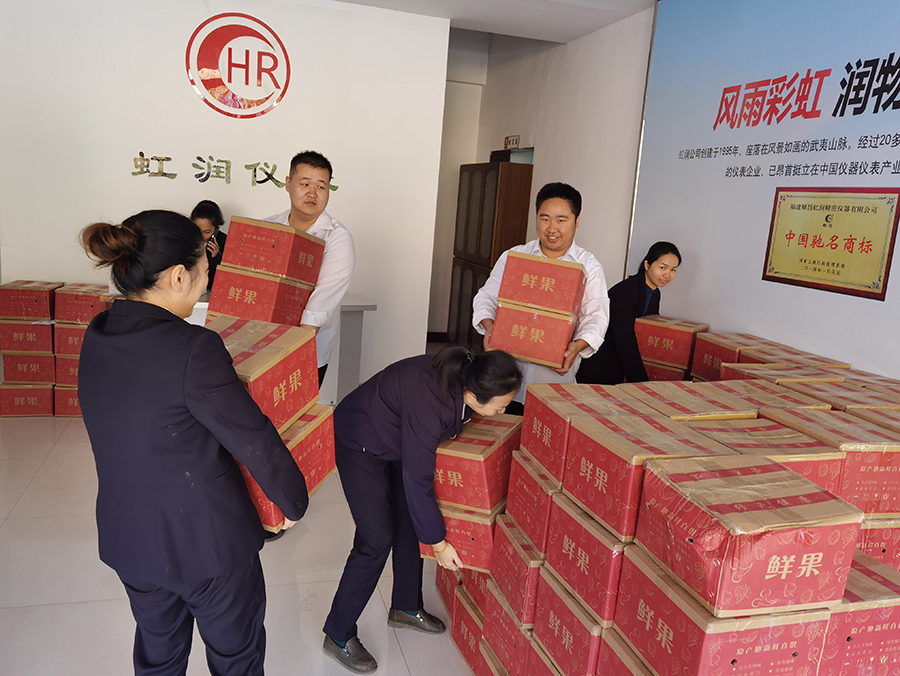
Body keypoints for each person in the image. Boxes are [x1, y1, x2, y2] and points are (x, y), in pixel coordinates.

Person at [77, 210, 309, 676]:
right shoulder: (194, 347)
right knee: (236, 658)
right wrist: (293, 501)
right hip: (208, 543)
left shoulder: (97, 334)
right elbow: (252, 437)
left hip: (132, 540)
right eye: (205, 272)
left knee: (159, 658)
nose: (206, 283)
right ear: (178, 276)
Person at [322, 346, 522, 674]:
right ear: (472, 396)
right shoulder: (432, 403)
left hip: (395, 435)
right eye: (499, 406)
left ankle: (405, 607)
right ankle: (338, 633)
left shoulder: (464, 378)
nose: (502, 412)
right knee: (376, 539)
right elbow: (418, 479)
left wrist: (430, 532)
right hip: (360, 439)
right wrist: (439, 544)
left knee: (409, 523)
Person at [472, 182, 610, 415]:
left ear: (577, 221)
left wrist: (576, 347)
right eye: (544, 219)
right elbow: (486, 296)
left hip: (553, 380)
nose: (552, 228)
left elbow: (596, 316)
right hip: (504, 375)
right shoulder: (515, 256)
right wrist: (489, 326)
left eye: (561, 220)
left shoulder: (589, 266)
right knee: (501, 429)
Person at [266, 151, 355, 388]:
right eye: (305, 184)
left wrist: (287, 353)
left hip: (305, 350)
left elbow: (320, 304)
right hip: (259, 344)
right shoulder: (268, 227)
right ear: (288, 184)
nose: (312, 193)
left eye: (321, 186)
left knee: (292, 410)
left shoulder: (337, 238)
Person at [577, 241, 682, 385]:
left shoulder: (655, 293)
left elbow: (647, 329)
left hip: (620, 363)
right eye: (663, 267)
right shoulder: (627, 291)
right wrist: (641, 383)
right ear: (647, 265)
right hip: (601, 363)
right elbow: (625, 339)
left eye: (673, 270)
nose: (667, 275)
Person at [190, 199, 227, 291]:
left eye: (207, 232)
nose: (202, 235)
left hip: (211, 289)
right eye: (198, 230)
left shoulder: (224, 241)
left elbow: (226, 273)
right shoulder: (186, 239)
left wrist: (216, 258)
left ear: (216, 229)